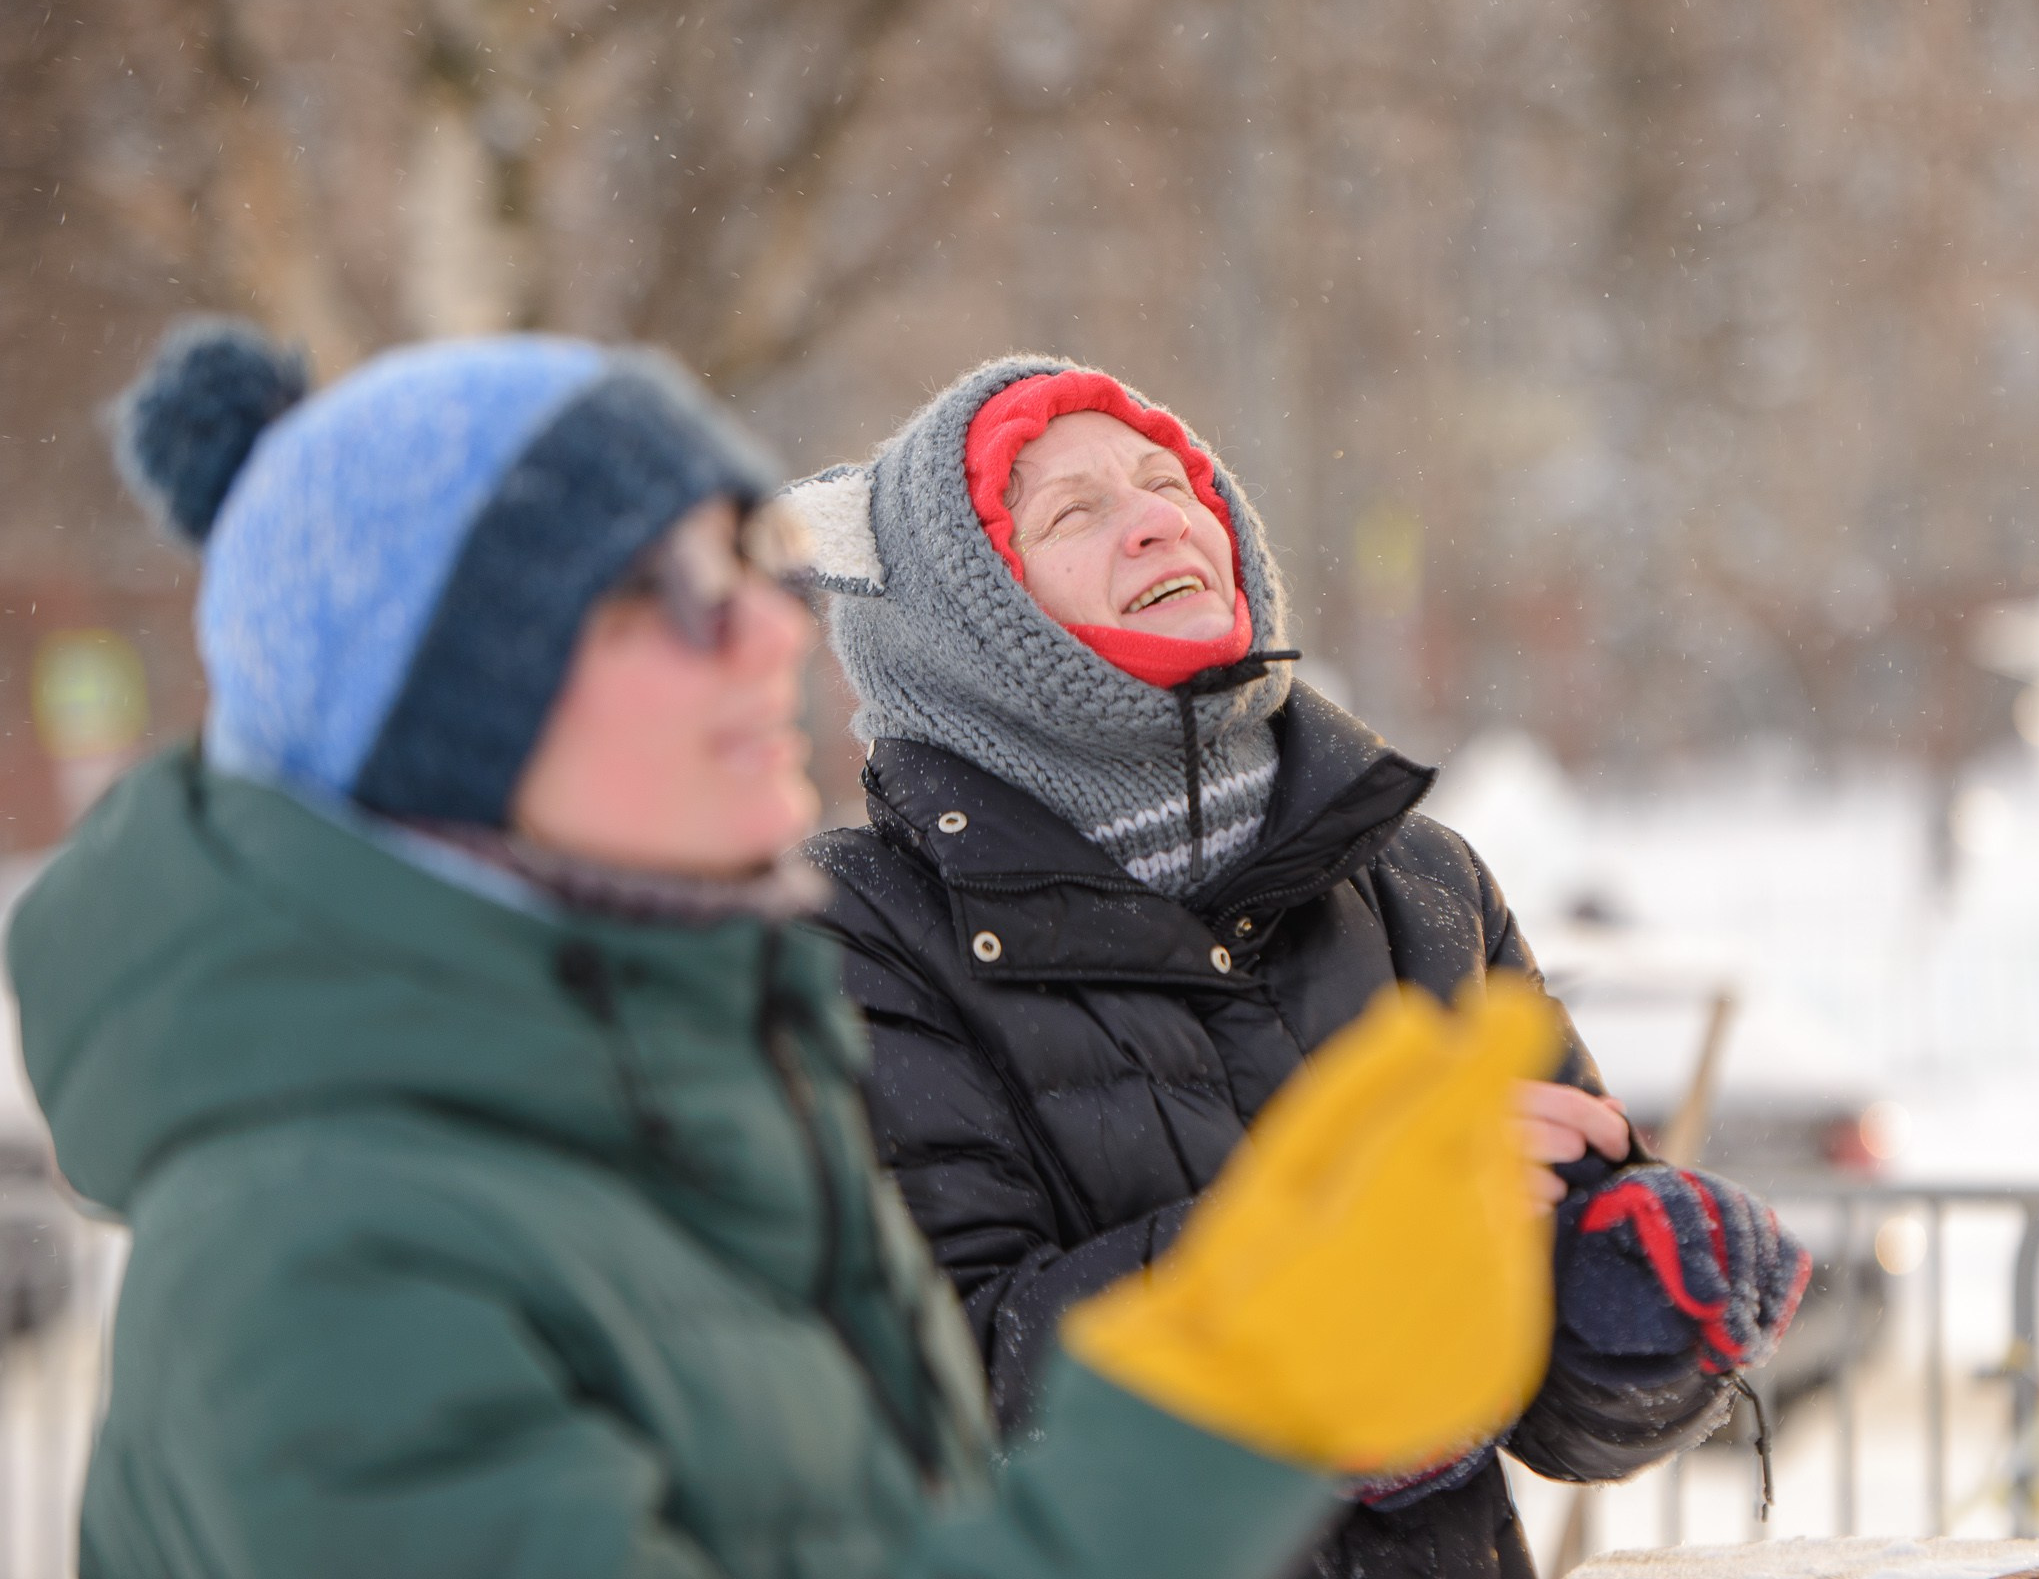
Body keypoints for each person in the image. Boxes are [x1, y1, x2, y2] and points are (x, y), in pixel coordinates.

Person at [3, 322, 1566, 1579]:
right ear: (450, 715)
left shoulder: (706, 1080)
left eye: (750, 567)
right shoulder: (326, 1261)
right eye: (667, 596)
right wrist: (1241, 1381)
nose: (770, 630)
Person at [784, 357, 1814, 1579]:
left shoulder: (1418, 879)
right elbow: (929, 1393)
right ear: (964, 627)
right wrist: (1327, 1306)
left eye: (1168, 480)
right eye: (1072, 512)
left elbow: (1541, 1404)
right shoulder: (846, 931)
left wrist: (1628, 1305)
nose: (1158, 518)